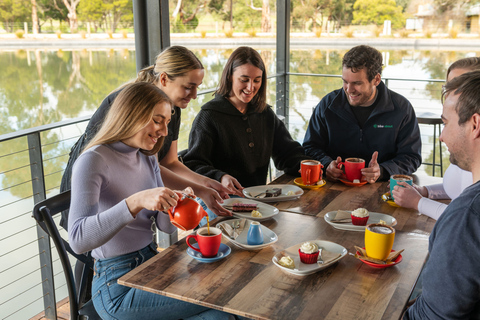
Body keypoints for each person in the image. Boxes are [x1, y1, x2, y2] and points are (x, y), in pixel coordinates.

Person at [68, 82, 235, 320]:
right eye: (158, 121)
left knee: (222, 308)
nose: (165, 132)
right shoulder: (93, 161)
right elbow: (77, 240)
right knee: (221, 302)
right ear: (131, 115)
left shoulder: (146, 157)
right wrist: (134, 202)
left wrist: (175, 203)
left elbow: (166, 227)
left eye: (167, 122)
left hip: (152, 263)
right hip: (115, 287)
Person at [60, 45, 232, 231]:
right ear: (164, 78)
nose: (195, 95)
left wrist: (207, 184)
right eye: (188, 87)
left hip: (129, 202)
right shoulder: (126, 103)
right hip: (93, 195)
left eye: (197, 87)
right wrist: (199, 190)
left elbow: (169, 162)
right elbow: (148, 166)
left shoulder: (171, 107)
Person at [403, 70, 480, 319]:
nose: (441, 136)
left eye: (445, 123)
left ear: (475, 125)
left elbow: (431, 316)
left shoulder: (467, 215)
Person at [183, 46, 308, 193]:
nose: (251, 87)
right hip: (221, 200)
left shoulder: (265, 113)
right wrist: (220, 177)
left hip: (260, 197)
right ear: (229, 76)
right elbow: (193, 164)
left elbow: (288, 153)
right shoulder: (209, 116)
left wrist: (309, 165)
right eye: (244, 79)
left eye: (257, 80)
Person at [303, 45, 422, 183]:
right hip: (333, 187)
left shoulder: (401, 109)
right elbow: (310, 147)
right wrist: (326, 164)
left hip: (382, 188)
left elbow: (411, 157)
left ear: (376, 80)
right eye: (345, 82)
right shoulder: (327, 105)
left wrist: (382, 171)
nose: (349, 90)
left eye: (357, 83)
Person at [393, 57, 478, 219]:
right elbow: (459, 189)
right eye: (448, 86)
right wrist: (426, 191)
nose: (449, 94)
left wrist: (418, 202)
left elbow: (466, 218)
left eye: (460, 86)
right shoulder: (466, 153)